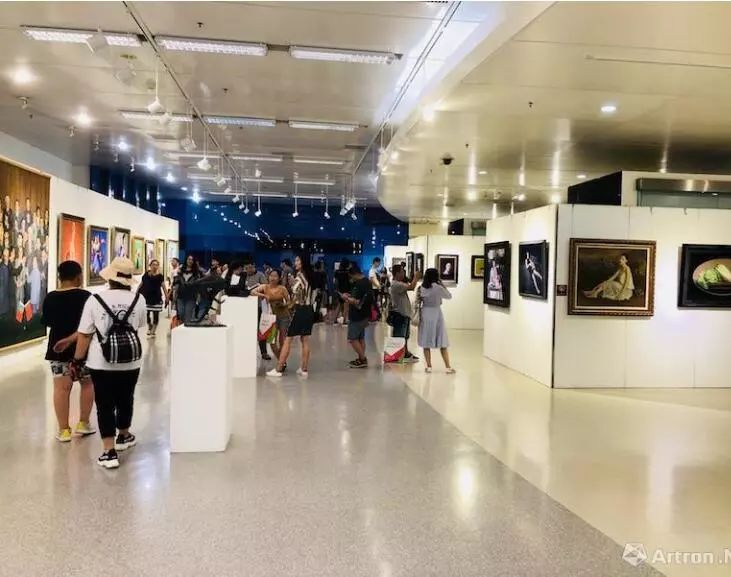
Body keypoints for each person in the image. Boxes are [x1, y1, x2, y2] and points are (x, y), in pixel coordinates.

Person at [71, 257, 147, 469]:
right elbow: (139, 325)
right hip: (131, 360)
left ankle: (108, 451)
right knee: (126, 398)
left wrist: (77, 360)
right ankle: (124, 435)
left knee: (104, 404)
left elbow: (85, 334)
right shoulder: (139, 299)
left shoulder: (95, 300)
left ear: (110, 277)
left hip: (100, 361)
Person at [41, 261, 95, 442]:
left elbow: (47, 322)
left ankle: (64, 430)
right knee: (87, 384)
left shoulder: (50, 297)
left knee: (61, 388)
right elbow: (91, 324)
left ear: (60, 277)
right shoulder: (86, 296)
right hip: (83, 347)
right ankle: (84, 423)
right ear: (78, 276)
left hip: (57, 348)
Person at [267, 255, 314, 377]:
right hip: (309, 310)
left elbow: (294, 292)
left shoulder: (300, 276)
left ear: (303, 262)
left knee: (288, 339)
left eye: (298, 260)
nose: (295, 262)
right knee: (305, 339)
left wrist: (292, 283)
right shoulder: (311, 276)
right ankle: (304, 369)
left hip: (300, 310)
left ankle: (278, 369)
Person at [417, 268, 455, 374]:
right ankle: (448, 367)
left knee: (426, 341)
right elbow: (449, 296)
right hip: (437, 314)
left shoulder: (421, 288)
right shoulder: (438, 287)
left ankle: (429, 366)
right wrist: (442, 284)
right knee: (442, 340)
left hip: (425, 313)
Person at [250, 269, 291, 362]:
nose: (273, 278)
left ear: (279, 278)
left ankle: (281, 362)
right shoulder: (265, 287)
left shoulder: (282, 288)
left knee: (282, 340)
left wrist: (283, 305)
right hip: (271, 318)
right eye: (271, 276)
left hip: (283, 316)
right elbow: (252, 292)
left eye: (275, 276)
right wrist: (264, 296)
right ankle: (281, 361)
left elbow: (289, 302)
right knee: (272, 341)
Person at [341, 262, 373, 369]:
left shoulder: (360, 284)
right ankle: (360, 358)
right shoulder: (366, 282)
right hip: (364, 314)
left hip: (357, 315)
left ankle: (363, 359)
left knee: (353, 338)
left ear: (354, 274)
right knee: (360, 338)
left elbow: (359, 301)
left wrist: (348, 299)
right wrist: (350, 296)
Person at [388, 264, 421, 363]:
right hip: (400, 314)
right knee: (400, 336)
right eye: (402, 272)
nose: (403, 274)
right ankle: (395, 356)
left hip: (404, 313)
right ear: (397, 273)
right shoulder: (396, 284)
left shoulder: (398, 283)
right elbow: (411, 287)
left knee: (405, 336)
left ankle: (405, 353)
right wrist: (416, 277)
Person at [245, 262, 271, 360]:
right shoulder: (243, 276)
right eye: (246, 268)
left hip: (259, 306)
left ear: (254, 267)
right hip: (246, 307)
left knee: (261, 329)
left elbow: (266, 288)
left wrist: (257, 290)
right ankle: (248, 351)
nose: (248, 270)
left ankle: (264, 352)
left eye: (250, 267)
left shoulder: (260, 275)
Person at [139, 259, 166, 337]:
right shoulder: (146, 275)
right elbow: (141, 284)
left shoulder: (160, 276)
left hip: (156, 297)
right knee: (146, 314)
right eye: (153, 264)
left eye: (156, 265)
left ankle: (153, 330)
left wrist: (167, 297)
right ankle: (149, 325)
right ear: (150, 266)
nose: (155, 266)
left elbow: (163, 286)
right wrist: (137, 293)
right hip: (147, 297)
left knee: (155, 314)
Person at [173, 255, 202, 323]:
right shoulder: (180, 271)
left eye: (192, 260)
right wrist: (174, 294)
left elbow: (198, 285)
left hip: (191, 297)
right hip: (180, 296)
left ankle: (186, 326)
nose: (190, 261)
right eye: (189, 259)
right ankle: (183, 325)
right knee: (181, 313)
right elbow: (177, 283)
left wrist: (199, 296)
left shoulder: (196, 273)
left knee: (188, 315)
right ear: (186, 260)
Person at [333, 259, 351, 325]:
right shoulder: (348, 272)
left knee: (339, 305)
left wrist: (337, 290)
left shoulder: (337, 272)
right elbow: (349, 282)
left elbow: (335, 282)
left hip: (339, 291)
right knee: (346, 306)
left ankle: (335, 320)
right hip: (346, 290)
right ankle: (345, 321)